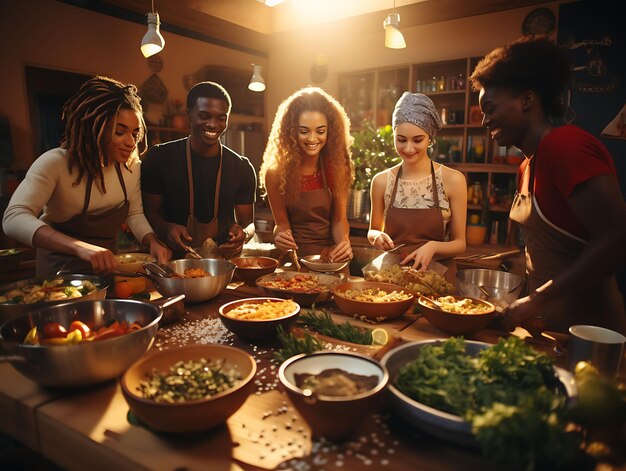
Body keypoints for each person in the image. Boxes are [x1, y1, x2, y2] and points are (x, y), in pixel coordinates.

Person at [470, 36, 626, 334]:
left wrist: (535, 300)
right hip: (548, 327)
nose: (484, 121)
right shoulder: (527, 165)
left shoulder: (564, 146)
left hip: (586, 330)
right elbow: (548, 250)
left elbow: (616, 238)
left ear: (527, 100)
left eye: (490, 109)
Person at [2, 76, 171, 277]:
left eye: (135, 134)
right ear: (94, 127)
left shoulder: (131, 167)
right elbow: (13, 218)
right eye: (119, 132)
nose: (131, 142)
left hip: (107, 272)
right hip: (59, 275)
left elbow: (134, 214)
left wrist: (152, 241)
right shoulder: (55, 162)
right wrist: (80, 247)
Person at [141, 81, 256, 259]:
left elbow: (248, 223)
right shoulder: (159, 157)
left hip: (223, 263)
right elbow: (150, 213)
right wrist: (167, 228)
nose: (213, 124)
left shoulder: (241, 167)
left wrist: (244, 234)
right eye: (204, 115)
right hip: (171, 261)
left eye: (221, 118)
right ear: (189, 115)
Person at [367, 92, 467, 278]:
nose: (408, 148)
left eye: (417, 140)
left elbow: (460, 244)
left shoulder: (453, 180)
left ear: (430, 137)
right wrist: (376, 236)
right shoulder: (381, 181)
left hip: (438, 279)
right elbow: (373, 229)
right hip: (392, 277)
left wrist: (433, 246)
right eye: (401, 140)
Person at [259, 87, 354, 263]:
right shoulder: (275, 173)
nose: (312, 139)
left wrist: (343, 243)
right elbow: (281, 224)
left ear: (330, 131)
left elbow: (340, 220)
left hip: (331, 259)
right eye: (304, 131)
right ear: (291, 131)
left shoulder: (336, 168)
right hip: (294, 259)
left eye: (320, 131)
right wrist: (280, 238)